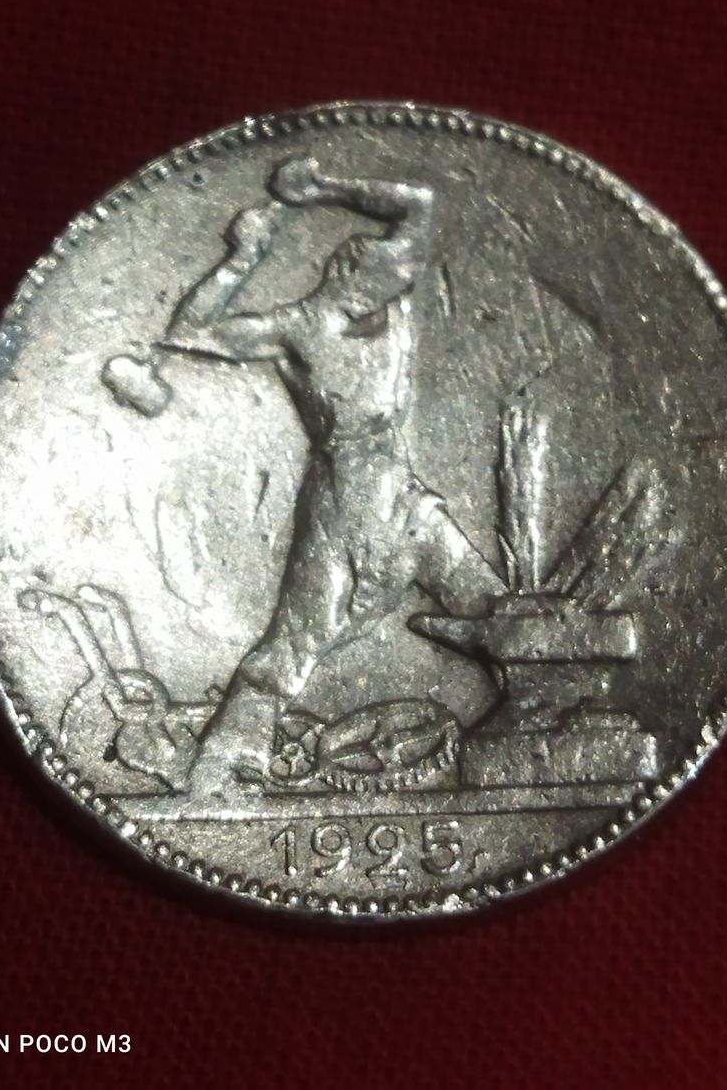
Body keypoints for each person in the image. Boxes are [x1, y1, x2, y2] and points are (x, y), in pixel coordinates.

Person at [153, 155, 506, 801]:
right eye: (379, 279)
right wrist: (242, 257)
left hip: (403, 495)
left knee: (496, 609)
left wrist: (326, 188)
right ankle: (218, 770)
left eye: (395, 278)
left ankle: (531, 734)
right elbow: (190, 330)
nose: (393, 289)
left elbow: (421, 203)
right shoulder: (299, 327)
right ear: (346, 273)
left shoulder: (390, 292)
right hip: (343, 501)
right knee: (297, 642)